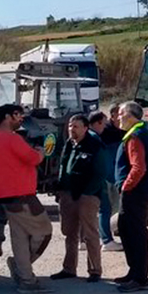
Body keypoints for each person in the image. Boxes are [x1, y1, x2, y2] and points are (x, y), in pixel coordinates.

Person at [0, 103, 52, 293]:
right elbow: (33, 159)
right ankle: (21, 267)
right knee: (44, 232)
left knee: (20, 237)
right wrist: (40, 152)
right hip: (23, 196)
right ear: (8, 117)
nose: (21, 119)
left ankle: (26, 279)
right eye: (18, 115)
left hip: (8, 196)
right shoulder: (12, 138)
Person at [51, 114, 106, 282]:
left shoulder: (95, 146)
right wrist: (60, 189)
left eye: (75, 126)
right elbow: (62, 166)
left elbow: (100, 173)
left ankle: (95, 270)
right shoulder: (69, 144)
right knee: (69, 233)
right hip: (67, 194)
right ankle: (69, 269)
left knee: (90, 234)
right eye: (70, 126)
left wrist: (86, 194)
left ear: (85, 128)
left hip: (87, 196)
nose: (71, 129)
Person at [114, 101, 148, 293]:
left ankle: (140, 278)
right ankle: (134, 272)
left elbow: (138, 167)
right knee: (126, 229)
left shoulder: (135, 135)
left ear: (131, 115)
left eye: (121, 113)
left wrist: (126, 187)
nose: (118, 117)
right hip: (138, 191)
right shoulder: (141, 132)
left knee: (135, 233)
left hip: (134, 193)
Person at [88, 107, 125, 252]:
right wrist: (114, 180)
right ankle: (107, 240)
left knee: (89, 211)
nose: (104, 126)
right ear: (96, 123)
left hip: (90, 180)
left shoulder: (88, 136)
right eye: (102, 124)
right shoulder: (96, 138)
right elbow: (104, 163)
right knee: (105, 209)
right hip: (99, 180)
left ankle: (84, 239)